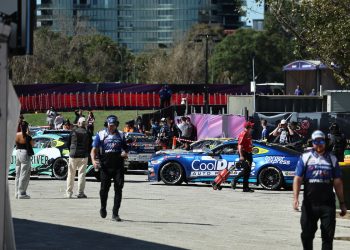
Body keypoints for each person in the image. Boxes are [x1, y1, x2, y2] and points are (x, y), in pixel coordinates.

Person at [293, 130, 347, 249]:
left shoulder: (332, 158)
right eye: (316, 141)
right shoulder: (305, 157)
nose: (319, 144)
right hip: (309, 204)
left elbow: (337, 182)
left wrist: (342, 203)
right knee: (307, 235)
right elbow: (297, 178)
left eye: (321, 141)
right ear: (312, 143)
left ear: (325, 142)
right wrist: (295, 198)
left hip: (327, 205)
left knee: (328, 236)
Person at [91, 115, 128, 222]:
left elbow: (125, 149)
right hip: (105, 166)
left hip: (118, 166)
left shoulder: (121, 135)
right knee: (104, 190)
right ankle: (103, 207)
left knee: (119, 189)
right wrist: (94, 161)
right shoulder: (101, 134)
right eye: (110, 125)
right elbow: (94, 149)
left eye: (113, 125)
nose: (111, 127)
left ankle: (115, 213)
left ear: (116, 125)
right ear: (107, 124)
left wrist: (125, 153)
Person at [66, 117, 92, 198]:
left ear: (79, 123)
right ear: (85, 124)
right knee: (81, 175)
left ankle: (69, 193)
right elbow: (90, 145)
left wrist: (71, 151)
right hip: (83, 156)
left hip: (73, 155)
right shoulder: (88, 133)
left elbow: (68, 143)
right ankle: (80, 193)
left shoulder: (73, 132)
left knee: (71, 174)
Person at [231, 121, 254, 192]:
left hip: (249, 154)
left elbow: (249, 144)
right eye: (251, 127)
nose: (252, 128)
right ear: (248, 127)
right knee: (247, 169)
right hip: (244, 154)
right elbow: (240, 145)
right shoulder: (243, 134)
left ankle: (245, 188)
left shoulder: (249, 134)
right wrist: (241, 155)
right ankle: (235, 180)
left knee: (248, 171)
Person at [15, 121, 34, 199]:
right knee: (24, 174)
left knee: (18, 174)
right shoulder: (27, 136)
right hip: (24, 153)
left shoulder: (16, 135)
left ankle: (16, 192)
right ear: (26, 127)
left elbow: (16, 143)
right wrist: (29, 134)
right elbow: (32, 145)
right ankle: (21, 193)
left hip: (18, 152)